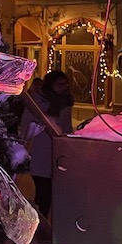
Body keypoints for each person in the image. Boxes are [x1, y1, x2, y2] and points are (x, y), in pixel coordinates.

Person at [20, 69, 74, 227]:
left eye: (66, 83)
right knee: (43, 191)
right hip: (40, 151)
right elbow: (26, 125)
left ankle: (41, 222)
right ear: (51, 83)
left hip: (56, 152)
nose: (64, 87)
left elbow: (66, 128)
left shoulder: (65, 102)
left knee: (50, 192)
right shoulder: (37, 101)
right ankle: (38, 224)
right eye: (60, 83)